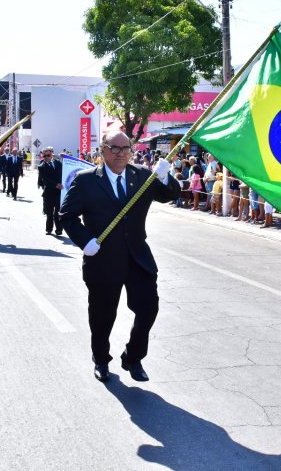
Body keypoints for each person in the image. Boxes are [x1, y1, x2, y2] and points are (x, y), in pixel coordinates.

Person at [59, 131, 180, 383]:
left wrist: (165, 176)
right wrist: (85, 241)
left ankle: (133, 357)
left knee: (148, 308)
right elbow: (67, 216)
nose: (121, 153)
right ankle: (101, 359)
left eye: (126, 148)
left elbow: (168, 195)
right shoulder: (86, 180)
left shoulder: (142, 176)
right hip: (102, 259)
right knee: (102, 316)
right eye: (114, 148)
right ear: (102, 150)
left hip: (137, 257)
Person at [37, 147, 63, 235]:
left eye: (48, 155)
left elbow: (63, 174)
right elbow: (45, 180)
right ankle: (49, 229)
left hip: (59, 192)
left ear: (51, 155)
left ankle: (59, 229)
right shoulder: (41, 167)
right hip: (49, 192)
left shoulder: (58, 163)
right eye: (44, 156)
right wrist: (56, 185)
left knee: (58, 212)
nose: (46, 157)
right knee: (49, 212)